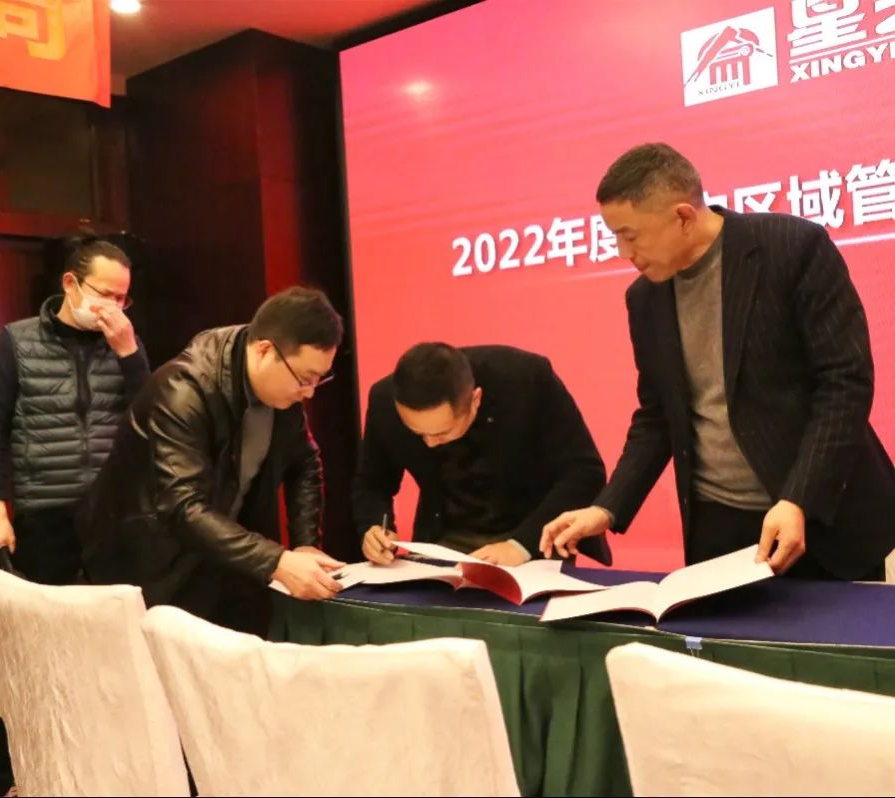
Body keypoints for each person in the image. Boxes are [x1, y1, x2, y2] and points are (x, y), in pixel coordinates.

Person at [541, 143, 895, 580]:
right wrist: (606, 508)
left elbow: (844, 382)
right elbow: (657, 416)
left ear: (683, 217)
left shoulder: (792, 247)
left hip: (819, 514)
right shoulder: (645, 298)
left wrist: (799, 499)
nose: (622, 251)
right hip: (719, 527)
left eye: (629, 235)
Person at [78, 286, 345, 634]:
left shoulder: (283, 394)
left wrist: (305, 543)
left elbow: (304, 463)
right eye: (304, 379)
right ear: (265, 350)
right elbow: (183, 506)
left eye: (318, 380)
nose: (308, 392)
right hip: (153, 562)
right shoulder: (183, 390)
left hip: (222, 559)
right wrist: (276, 560)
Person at [0, 237, 148, 585]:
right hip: (43, 514)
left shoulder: (126, 342)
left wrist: (130, 354)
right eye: (105, 294)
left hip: (111, 512)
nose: (114, 307)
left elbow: (149, 420)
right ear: (70, 283)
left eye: (122, 299)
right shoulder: (16, 341)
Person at [355, 343, 611, 567]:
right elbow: (372, 483)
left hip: (534, 533)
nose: (430, 443)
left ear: (475, 399)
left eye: (442, 433)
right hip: (444, 540)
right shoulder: (384, 401)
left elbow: (584, 472)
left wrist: (520, 546)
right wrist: (375, 527)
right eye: (417, 433)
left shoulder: (526, 380)